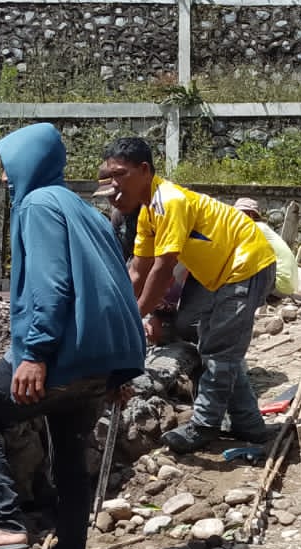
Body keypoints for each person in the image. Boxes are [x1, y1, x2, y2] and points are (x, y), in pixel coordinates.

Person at [0, 123, 146, 549]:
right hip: (100, 361)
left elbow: (51, 286)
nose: (4, 179)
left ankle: (4, 521)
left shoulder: (36, 206)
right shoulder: (88, 211)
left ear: (27, 164)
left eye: (7, 167)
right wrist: (120, 369)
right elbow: (116, 287)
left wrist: (34, 354)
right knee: (72, 468)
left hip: (61, 354)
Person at [101, 137, 278, 452]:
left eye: (120, 174)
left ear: (144, 169)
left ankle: (204, 425)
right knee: (220, 348)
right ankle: (250, 425)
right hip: (218, 273)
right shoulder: (147, 213)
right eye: (109, 177)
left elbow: (163, 269)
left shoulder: (169, 202)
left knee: (219, 351)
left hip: (246, 264)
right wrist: (120, 314)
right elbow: (137, 271)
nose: (114, 184)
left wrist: (135, 317)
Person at [233, 197, 297, 297]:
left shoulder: (254, 228)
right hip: (286, 286)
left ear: (250, 214)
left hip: (279, 286)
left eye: (238, 214)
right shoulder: (262, 228)